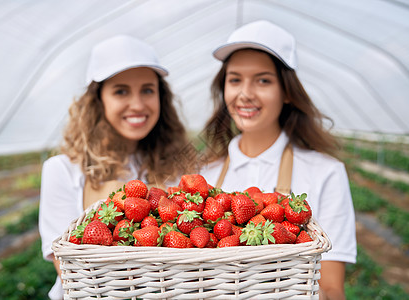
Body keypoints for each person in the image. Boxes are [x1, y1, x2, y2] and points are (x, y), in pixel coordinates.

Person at [199, 20, 357, 299]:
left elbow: (331, 288)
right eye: (235, 79)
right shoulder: (202, 176)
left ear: (286, 91)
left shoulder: (326, 173)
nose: (245, 94)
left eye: (263, 80)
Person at [39, 35, 195, 300]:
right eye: (121, 91)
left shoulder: (180, 169)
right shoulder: (63, 170)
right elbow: (67, 265)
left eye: (147, 89)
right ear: (98, 100)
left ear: (161, 97)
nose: (137, 104)